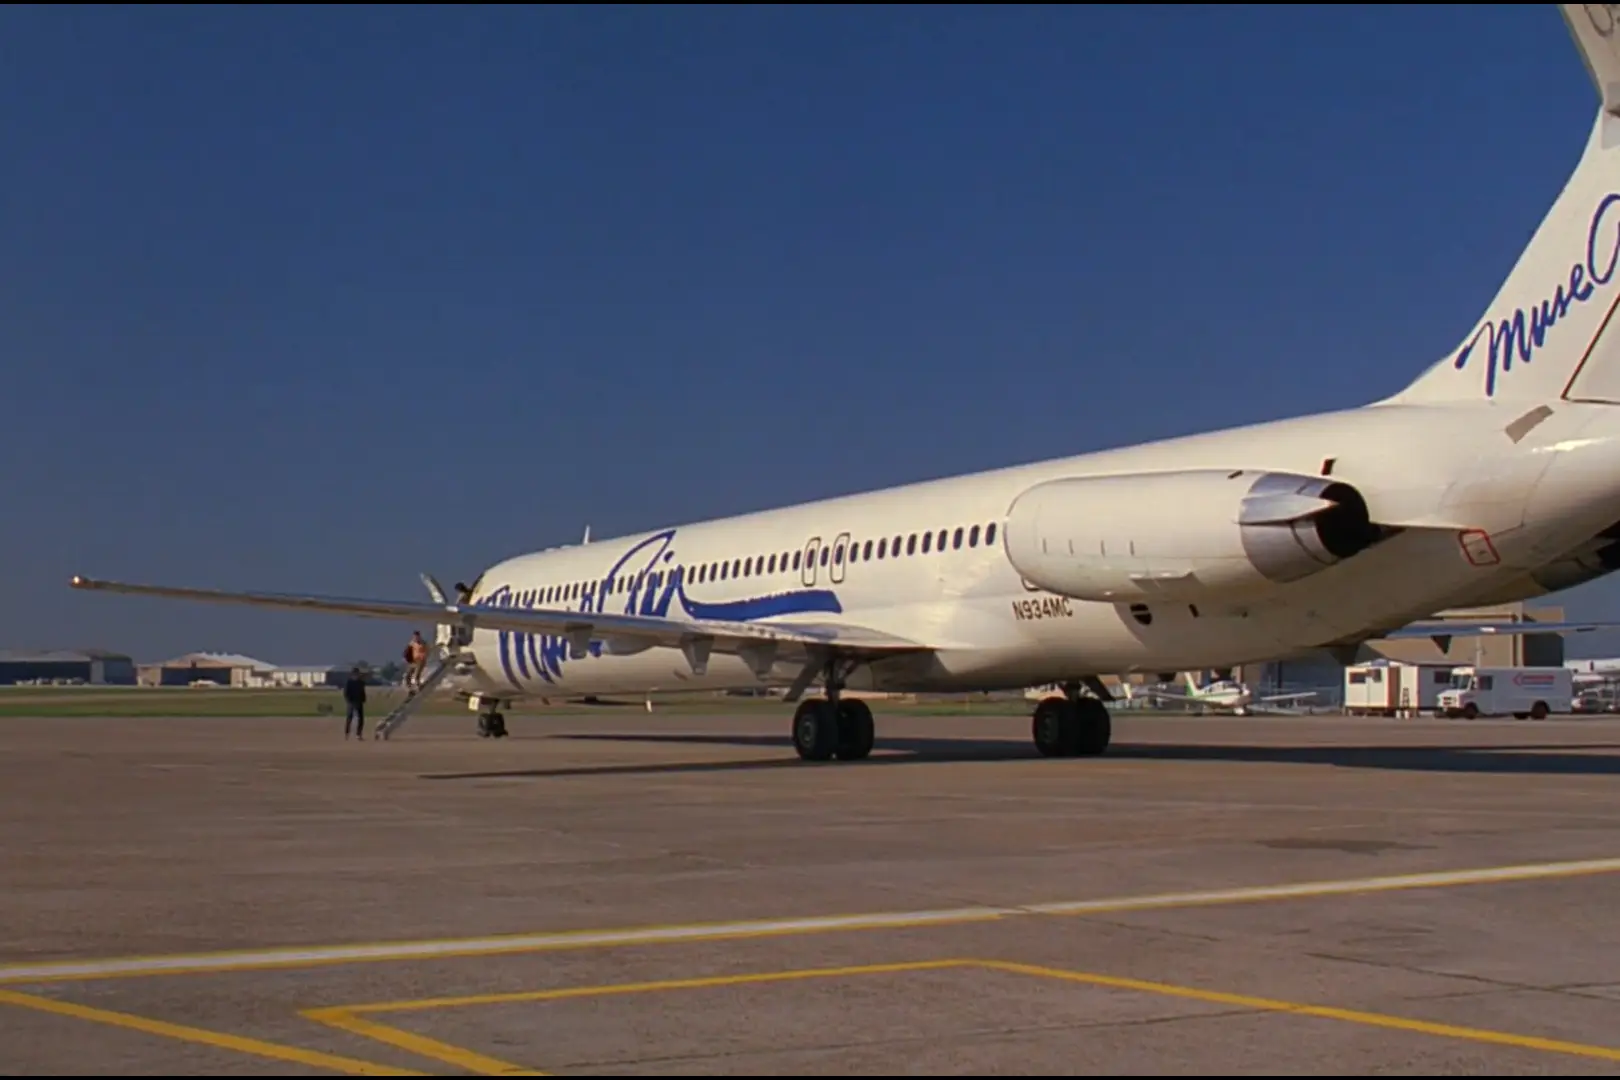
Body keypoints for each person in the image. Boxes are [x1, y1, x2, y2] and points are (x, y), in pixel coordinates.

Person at [342, 667, 367, 739]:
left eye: (357, 674)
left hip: (359, 701)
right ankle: (347, 733)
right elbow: (346, 692)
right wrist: (349, 700)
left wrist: (363, 699)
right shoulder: (349, 682)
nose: (356, 675)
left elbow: (362, 692)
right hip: (351, 702)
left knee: (361, 719)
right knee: (349, 718)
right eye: (355, 674)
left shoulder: (360, 682)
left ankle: (358, 734)